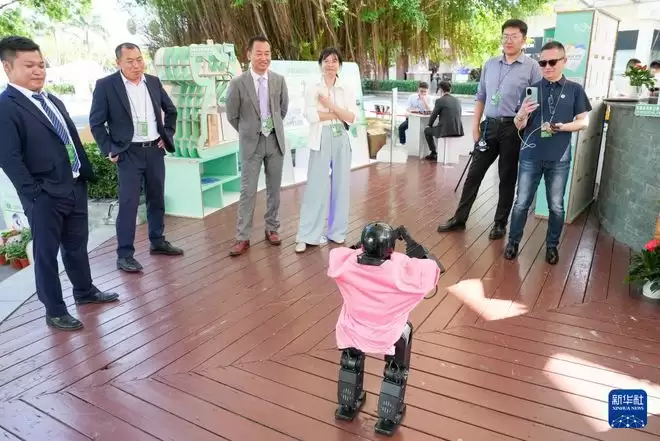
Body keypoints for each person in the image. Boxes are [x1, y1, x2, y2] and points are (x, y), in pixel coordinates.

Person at [0, 36, 119, 330]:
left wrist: (83, 173)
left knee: (76, 246)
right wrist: (35, 194)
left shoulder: (51, 100)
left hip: (74, 185)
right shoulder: (6, 106)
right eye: (29, 65)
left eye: (41, 65)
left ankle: (84, 291)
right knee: (46, 255)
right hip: (44, 195)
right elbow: (9, 157)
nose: (37, 71)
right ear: (7, 67)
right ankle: (54, 310)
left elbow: (70, 139)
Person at [329, 222, 442, 435]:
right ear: (390, 249)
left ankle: (347, 405)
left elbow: (341, 252)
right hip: (387, 333)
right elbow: (434, 268)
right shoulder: (401, 270)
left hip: (353, 328)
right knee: (403, 340)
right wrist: (410, 241)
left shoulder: (345, 265)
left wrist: (363, 246)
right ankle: (388, 416)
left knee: (350, 361)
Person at [437, 19, 543, 240]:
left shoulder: (532, 67)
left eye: (514, 36)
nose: (508, 40)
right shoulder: (491, 64)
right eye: (505, 36)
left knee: (507, 177)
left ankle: (499, 223)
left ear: (524, 39)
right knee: (473, 174)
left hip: (514, 128)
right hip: (489, 126)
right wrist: (476, 126)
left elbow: (535, 101)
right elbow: (481, 96)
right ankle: (459, 218)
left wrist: (524, 122)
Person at [89, 42, 183, 273]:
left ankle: (157, 241)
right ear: (118, 62)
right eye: (129, 61)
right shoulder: (106, 86)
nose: (136, 65)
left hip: (154, 150)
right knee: (129, 204)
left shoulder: (153, 81)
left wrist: (167, 135)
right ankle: (124, 255)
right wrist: (110, 149)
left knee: (156, 198)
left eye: (139, 59)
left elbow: (171, 111)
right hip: (128, 152)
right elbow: (96, 123)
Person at [505, 41, 592, 265]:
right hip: (530, 155)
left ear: (564, 61)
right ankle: (513, 242)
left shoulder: (574, 89)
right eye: (543, 63)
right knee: (521, 202)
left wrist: (563, 127)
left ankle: (552, 246)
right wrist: (522, 113)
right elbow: (519, 125)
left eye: (552, 62)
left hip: (559, 157)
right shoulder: (532, 90)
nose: (547, 67)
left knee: (556, 206)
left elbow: (584, 122)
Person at [225, 35, 289, 256]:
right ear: (249, 55)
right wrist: (249, 131)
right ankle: (243, 237)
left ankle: (272, 228)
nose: (264, 58)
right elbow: (232, 115)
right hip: (251, 144)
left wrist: (271, 128)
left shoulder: (279, 80)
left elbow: (282, 109)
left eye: (267, 53)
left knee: (274, 190)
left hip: (274, 141)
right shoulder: (237, 83)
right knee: (248, 191)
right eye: (259, 53)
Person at [295, 47, 358, 253]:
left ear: (340, 65)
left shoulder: (346, 88)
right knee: (315, 186)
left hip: (341, 137)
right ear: (320, 64)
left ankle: (337, 232)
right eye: (326, 61)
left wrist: (329, 105)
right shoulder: (313, 87)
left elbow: (351, 117)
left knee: (341, 185)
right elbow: (311, 115)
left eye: (334, 60)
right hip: (320, 137)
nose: (330, 64)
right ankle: (307, 235)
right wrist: (337, 113)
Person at [422, 80, 464, 161]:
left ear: (440, 90)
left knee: (427, 131)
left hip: (445, 131)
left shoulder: (440, 100)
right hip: (458, 130)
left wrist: (429, 125)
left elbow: (433, 115)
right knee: (437, 128)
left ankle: (433, 152)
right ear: (450, 90)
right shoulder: (457, 100)